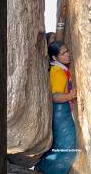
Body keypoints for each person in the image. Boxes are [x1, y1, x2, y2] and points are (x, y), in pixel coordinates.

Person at [35, 41, 77, 173]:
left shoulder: (56, 67)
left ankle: (45, 167)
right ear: (54, 57)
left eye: (67, 51)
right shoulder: (58, 72)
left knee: (60, 144)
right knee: (67, 146)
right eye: (63, 53)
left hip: (59, 111)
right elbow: (55, 96)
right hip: (60, 111)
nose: (67, 55)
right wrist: (71, 95)